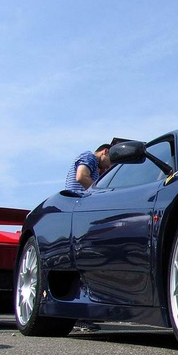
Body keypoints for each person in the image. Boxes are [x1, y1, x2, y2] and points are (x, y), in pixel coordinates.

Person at [63, 142, 112, 333]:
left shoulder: (95, 165)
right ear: (105, 151)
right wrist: (101, 194)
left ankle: (81, 312)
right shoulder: (89, 157)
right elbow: (81, 176)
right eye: (109, 161)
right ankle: (80, 315)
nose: (109, 166)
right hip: (80, 209)